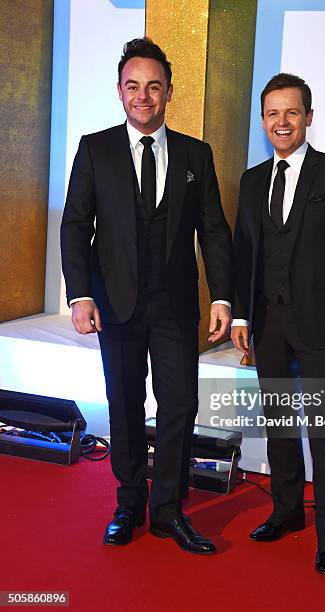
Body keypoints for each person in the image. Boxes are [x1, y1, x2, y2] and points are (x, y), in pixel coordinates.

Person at [61, 37, 233, 554]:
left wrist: (223, 297)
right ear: (119, 91)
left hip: (176, 304)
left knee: (180, 403)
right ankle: (130, 501)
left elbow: (215, 231)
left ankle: (169, 510)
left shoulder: (195, 155)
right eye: (133, 86)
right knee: (125, 403)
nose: (143, 95)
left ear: (169, 93)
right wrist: (79, 295)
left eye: (153, 86)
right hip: (114, 301)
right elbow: (75, 226)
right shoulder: (95, 148)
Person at [231, 73, 325, 574]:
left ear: (308, 117)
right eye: (272, 113)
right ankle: (287, 512)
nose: (281, 122)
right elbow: (244, 251)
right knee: (280, 426)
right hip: (266, 323)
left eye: (291, 112)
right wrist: (243, 314)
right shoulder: (250, 180)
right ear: (263, 120)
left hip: (322, 329)